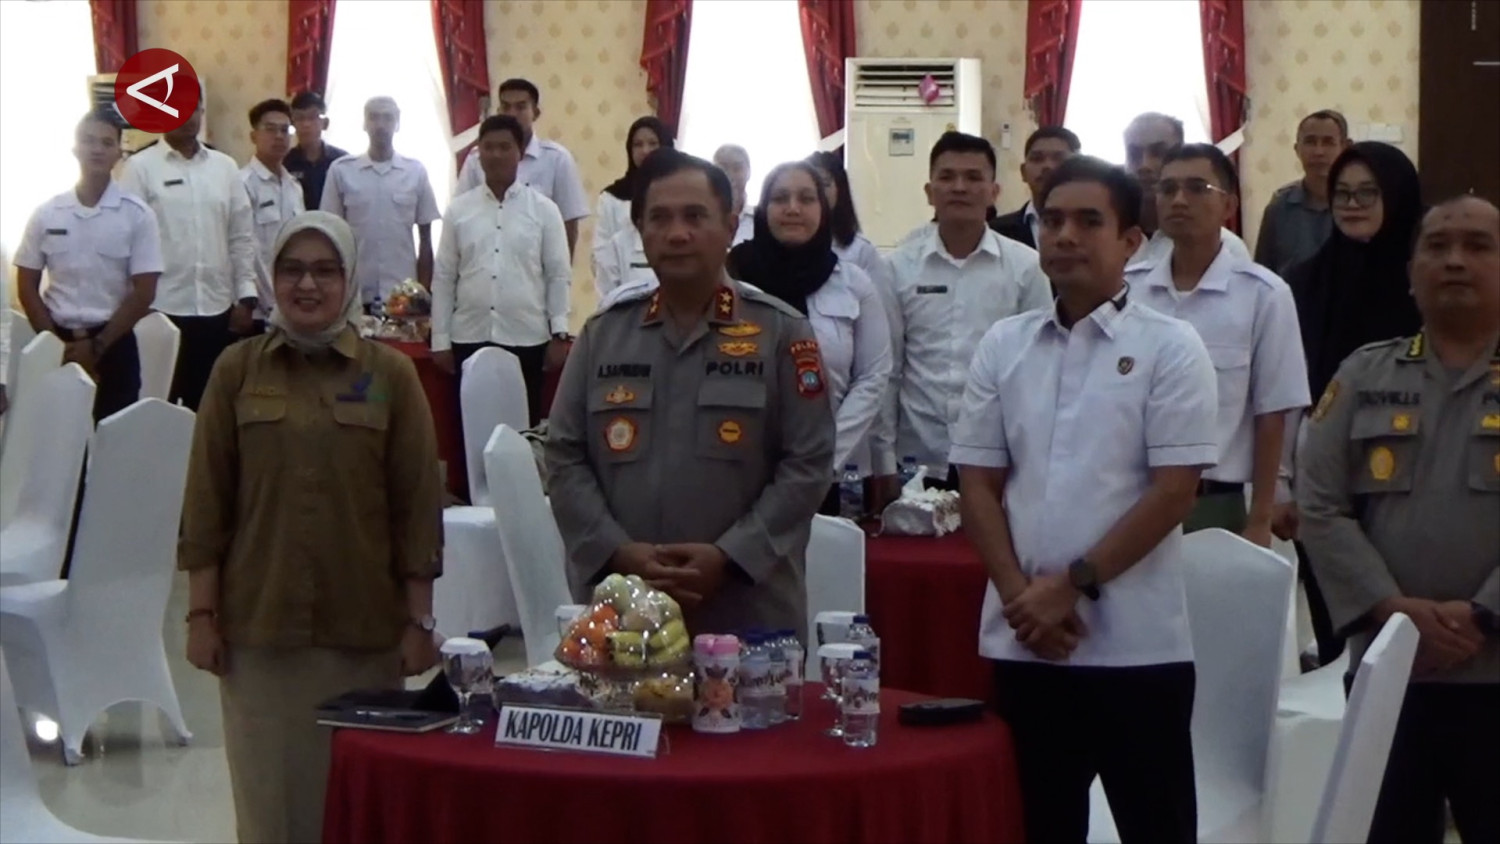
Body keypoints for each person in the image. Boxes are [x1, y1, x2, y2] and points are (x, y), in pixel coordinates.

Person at [953, 155, 1218, 843]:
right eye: (1052, 220)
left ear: (1131, 241)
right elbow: (977, 483)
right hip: (1026, 646)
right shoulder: (1005, 344)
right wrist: (1024, 600)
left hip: (1137, 648)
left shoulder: (1171, 347)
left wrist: (1068, 588)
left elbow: (1174, 492)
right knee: (1037, 829)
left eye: (1088, 221)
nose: (1065, 235)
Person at [179, 210, 443, 844]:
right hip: (260, 634)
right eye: (291, 269)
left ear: (348, 279)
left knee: (356, 814)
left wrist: (419, 623)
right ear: (271, 277)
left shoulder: (388, 375)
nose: (307, 285)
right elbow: (206, 502)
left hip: (364, 636)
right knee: (271, 812)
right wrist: (201, 616)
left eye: (325, 271)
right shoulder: (238, 371)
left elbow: (417, 508)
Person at [545, 149, 834, 636]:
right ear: (640, 229)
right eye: (659, 218)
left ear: (730, 226)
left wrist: (731, 555)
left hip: (747, 611)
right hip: (623, 612)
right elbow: (564, 455)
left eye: (695, 216)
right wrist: (616, 550)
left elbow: (809, 463)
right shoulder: (603, 334)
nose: (677, 233)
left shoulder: (782, 333)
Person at [1297, 195, 1500, 844]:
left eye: (1478, 246)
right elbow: (1317, 503)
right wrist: (1391, 610)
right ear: (1411, 273)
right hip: (1387, 670)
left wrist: (1483, 615)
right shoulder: (1364, 373)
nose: (1455, 260)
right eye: (1437, 247)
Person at [1279, 142, 1426, 666]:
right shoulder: (1305, 280)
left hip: (1413, 479)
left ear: (1397, 198)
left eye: (1367, 193)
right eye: (1342, 193)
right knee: (1341, 632)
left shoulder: (1424, 282)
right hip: (1328, 476)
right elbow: (1288, 385)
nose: (1352, 204)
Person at [1125, 144, 1309, 542]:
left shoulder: (1264, 295)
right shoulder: (1130, 290)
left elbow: (1273, 413)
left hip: (1216, 502)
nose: (1178, 200)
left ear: (1229, 205)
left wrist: (1261, 517)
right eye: (1167, 189)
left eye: (1197, 188)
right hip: (1130, 497)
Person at [871, 132, 1051, 507]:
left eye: (973, 177)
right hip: (917, 458)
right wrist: (882, 458)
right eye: (947, 177)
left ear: (994, 192)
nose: (959, 187)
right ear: (929, 191)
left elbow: (1040, 370)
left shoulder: (1026, 267)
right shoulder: (897, 268)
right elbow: (888, 370)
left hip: (999, 456)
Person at [728, 161, 892, 512]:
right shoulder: (731, 277)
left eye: (806, 199)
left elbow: (873, 376)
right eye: (780, 198)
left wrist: (822, 456)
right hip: (738, 469)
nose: (793, 208)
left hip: (829, 473)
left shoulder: (853, 283)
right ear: (763, 209)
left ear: (824, 209)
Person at [14, 108, 163, 421]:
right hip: (55, 341)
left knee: (117, 439)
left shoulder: (138, 215)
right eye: (88, 141)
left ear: (119, 152)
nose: (97, 149)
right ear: (74, 148)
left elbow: (144, 291)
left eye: (107, 143)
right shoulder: (47, 213)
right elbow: (26, 283)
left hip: (115, 343)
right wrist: (56, 344)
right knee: (56, 438)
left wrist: (97, 346)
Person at [431, 115, 572, 427]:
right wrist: (440, 339)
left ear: (520, 153)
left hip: (527, 338)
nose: (496, 155)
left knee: (521, 434)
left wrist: (559, 333)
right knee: (471, 431)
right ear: (478, 153)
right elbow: (444, 278)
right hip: (469, 337)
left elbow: (558, 275)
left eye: (505, 147)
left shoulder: (544, 210)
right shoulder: (458, 210)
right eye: (488, 147)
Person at [119, 100, 257, 412]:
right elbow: (125, 243)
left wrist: (246, 297)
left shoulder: (225, 167)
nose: (188, 116)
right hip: (159, 309)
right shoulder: (140, 168)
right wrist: (133, 304)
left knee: (210, 410)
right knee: (155, 407)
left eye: (194, 108)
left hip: (215, 309)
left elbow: (241, 236)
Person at [320, 96, 440, 307]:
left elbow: (426, 239)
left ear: (397, 123)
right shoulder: (341, 171)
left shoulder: (415, 172)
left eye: (388, 118)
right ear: (364, 123)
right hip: (353, 295)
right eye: (374, 117)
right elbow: (329, 237)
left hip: (403, 296)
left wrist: (423, 293)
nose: (381, 125)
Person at [454, 78, 590, 257]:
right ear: (499, 112)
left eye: (520, 107)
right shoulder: (477, 159)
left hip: (536, 268)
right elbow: (459, 217)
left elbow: (569, 225)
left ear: (535, 113)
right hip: (485, 264)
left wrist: (560, 271)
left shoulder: (557, 160)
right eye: (506, 107)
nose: (512, 114)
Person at [1123, 112, 1248, 265]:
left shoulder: (1225, 247)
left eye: (1158, 153)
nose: (1145, 165)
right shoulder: (1107, 235)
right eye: (1134, 154)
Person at [1254, 110, 1349, 276]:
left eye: (1328, 142)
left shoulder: (1358, 205)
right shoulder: (1279, 208)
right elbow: (1263, 275)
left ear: (1345, 148)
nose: (1319, 152)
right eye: (1310, 142)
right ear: (1297, 149)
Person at [240, 98, 305, 333]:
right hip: (256, 309)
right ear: (253, 136)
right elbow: (244, 248)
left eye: (285, 130)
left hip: (293, 306)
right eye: (270, 129)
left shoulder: (294, 186)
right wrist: (252, 299)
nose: (279, 136)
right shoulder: (242, 184)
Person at [593, 116, 673, 276]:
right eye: (638, 144)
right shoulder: (612, 197)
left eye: (653, 143)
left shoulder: (681, 193)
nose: (645, 151)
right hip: (623, 282)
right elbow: (601, 253)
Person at [805, 151, 890, 284]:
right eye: (809, 185)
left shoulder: (861, 250)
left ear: (840, 188)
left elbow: (881, 296)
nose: (817, 192)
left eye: (824, 184)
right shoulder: (789, 243)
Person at [992, 125, 1081, 249]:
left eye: (1059, 158)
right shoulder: (996, 231)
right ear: (1023, 172)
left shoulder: (1096, 227)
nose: (1047, 166)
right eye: (1037, 159)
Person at [283, 91, 349, 212]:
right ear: (293, 124)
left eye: (313, 117)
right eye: (299, 118)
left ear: (325, 123)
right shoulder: (285, 162)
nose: (306, 124)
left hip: (333, 222)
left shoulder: (342, 161)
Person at [713, 144, 755, 245]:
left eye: (737, 168)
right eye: (723, 168)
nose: (730, 174)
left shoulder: (761, 220)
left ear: (748, 172)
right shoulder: (700, 216)